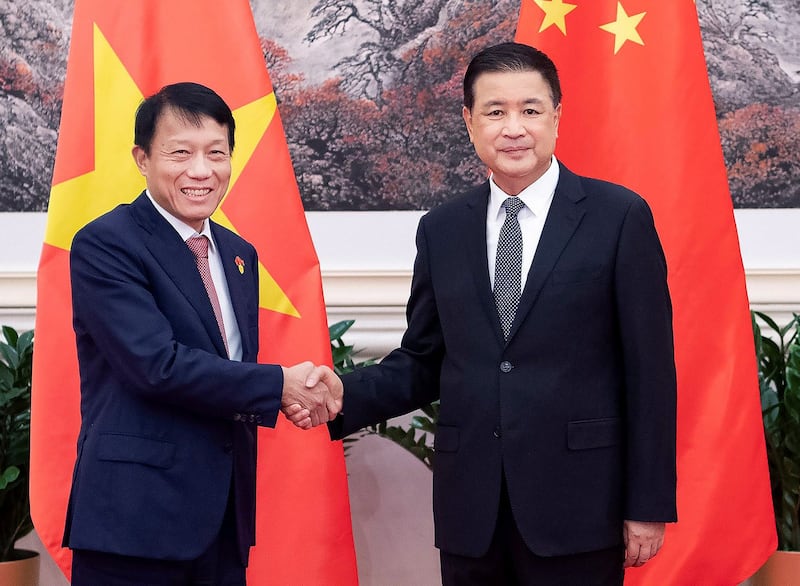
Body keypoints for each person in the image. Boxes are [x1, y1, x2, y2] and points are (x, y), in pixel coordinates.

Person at [306, 42, 677, 585]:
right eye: (495, 111)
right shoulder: (442, 229)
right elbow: (425, 359)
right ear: (469, 122)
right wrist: (344, 395)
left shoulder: (619, 217)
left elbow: (650, 372)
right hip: (471, 511)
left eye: (530, 110)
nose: (514, 128)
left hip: (578, 506)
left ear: (557, 116)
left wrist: (647, 503)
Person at [62, 82, 340, 585]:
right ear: (142, 158)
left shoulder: (238, 254)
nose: (201, 170)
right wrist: (280, 386)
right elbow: (156, 365)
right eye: (181, 153)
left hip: (222, 520)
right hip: (135, 521)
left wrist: (289, 394)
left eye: (217, 153)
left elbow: (229, 371)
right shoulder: (107, 243)